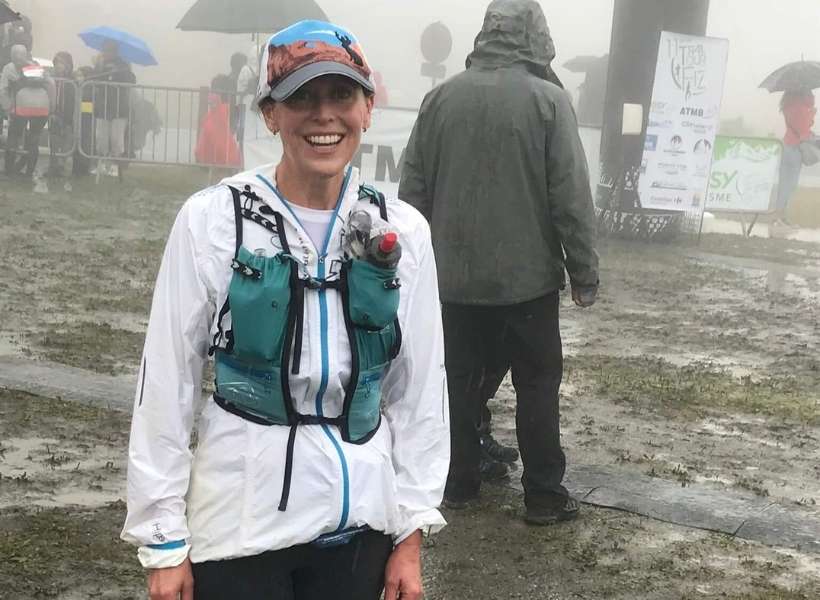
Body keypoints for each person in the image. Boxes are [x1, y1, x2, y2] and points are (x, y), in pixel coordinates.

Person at [121, 19, 448, 600]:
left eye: (341, 95)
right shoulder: (213, 221)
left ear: (367, 108)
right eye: (301, 97)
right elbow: (166, 380)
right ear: (271, 114)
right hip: (242, 533)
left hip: (359, 534)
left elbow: (418, 391)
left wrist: (411, 530)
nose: (324, 115)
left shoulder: (404, 232)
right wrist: (164, 537)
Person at [399, 0, 599, 525]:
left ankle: (458, 483)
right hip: (527, 283)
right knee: (536, 386)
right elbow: (570, 197)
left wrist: (413, 270)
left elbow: (411, 193)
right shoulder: (549, 102)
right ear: (537, 36)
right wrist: (584, 273)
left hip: (451, 282)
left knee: (456, 383)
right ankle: (543, 496)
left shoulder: (438, 99)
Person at [0, 44, 55, 178]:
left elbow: (3, 89)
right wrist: (52, 106)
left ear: (12, 55)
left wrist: (7, 108)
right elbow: (51, 83)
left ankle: (9, 170)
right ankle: (29, 171)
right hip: (41, 108)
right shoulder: (35, 66)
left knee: (14, 135)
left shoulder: (9, 68)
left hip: (21, 107)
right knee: (34, 137)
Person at [89, 39, 136, 177]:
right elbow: (94, 79)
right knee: (101, 139)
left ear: (115, 51)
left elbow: (131, 80)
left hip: (119, 109)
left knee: (117, 140)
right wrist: (98, 68)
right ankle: (101, 164)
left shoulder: (123, 65)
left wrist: (119, 73)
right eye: (105, 50)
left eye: (109, 50)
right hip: (103, 107)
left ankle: (116, 166)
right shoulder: (99, 64)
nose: (106, 52)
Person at [775, 87, 816, 227]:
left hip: (786, 145)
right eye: (810, 92)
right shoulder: (802, 107)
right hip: (795, 149)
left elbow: (796, 126)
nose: (812, 95)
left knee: (784, 184)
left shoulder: (788, 105)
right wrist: (812, 114)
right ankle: (781, 218)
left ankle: (780, 217)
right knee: (790, 185)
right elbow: (803, 129)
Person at [48, 51, 76, 191]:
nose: (59, 66)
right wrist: (51, 112)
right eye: (56, 63)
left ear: (68, 66)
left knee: (66, 144)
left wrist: (69, 119)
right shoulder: (51, 79)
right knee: (54, 142)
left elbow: (72, 102)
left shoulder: (72, 81)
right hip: (54, 115)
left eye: (62, 63)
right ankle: (53, 167)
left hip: (68, 118)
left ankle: (65, 169)